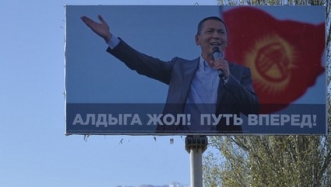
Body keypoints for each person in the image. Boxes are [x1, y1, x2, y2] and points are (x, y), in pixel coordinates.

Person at [81, 14, 259, 133]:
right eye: (210, 31)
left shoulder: (239, 73)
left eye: (221, 32)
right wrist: (110, 38)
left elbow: (253, 109)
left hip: (220, 148)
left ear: (226, 40)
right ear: (197, 39)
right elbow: (143, 64)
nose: (216, 36)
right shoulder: (179, 68)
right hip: (177, 140)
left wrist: (228, 78)